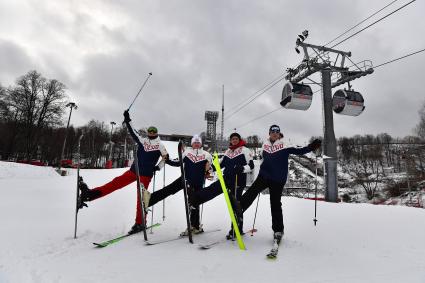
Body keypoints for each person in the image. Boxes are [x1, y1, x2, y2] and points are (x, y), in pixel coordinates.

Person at [79, 110, 168, 235]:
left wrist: (158, 167)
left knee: (141, 198)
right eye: (150, 131)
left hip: (145, 175)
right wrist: (127, 120)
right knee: (115, 183)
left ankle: (140, 223)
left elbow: (165, 157)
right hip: (134, 171)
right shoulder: (143, 140)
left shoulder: (160, 145)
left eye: (154, 131)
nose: (151, 132)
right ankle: (90, 195)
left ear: (156, 133)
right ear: (148, 132)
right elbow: (133, 131)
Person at [238, 125, 321, 244]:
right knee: (253, 190)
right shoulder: (265, 145)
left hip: (277, 179)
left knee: (275, 203)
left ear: (279, 133)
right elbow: (262, 159)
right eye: (273, 131)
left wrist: (311, 147)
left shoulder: (284, 144)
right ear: (269, 133)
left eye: (277, 132)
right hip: (264, 175)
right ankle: (239, 207)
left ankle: (278, 230)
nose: (275, 133)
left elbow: (299, 151)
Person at [188, 132, 254, 239]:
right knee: (212, 189)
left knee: (235, 205)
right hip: (226, 179)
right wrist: (211, 168)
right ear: (230, 140)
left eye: (236, 139)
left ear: (239, 140)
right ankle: (195, 199)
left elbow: (251, 165)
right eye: (232, 139)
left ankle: (236, 229)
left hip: (237, 181)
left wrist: (242, 168)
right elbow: (221, 164)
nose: (234, 140)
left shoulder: (245, 150)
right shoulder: (228, 151)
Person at [143, 134, 213, 235]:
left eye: (198, 142)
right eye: (195, 142)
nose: (196, 144)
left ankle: (195, 226)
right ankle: (149, 200)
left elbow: (212, 168)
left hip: (197, 183)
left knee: (194, 204)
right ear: (192, 144)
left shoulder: (207, 155)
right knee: (169, 189)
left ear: (200, 144)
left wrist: (209, 170)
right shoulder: (187, 153)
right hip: (184, 179)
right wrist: (167, 159)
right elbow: (176, 162)